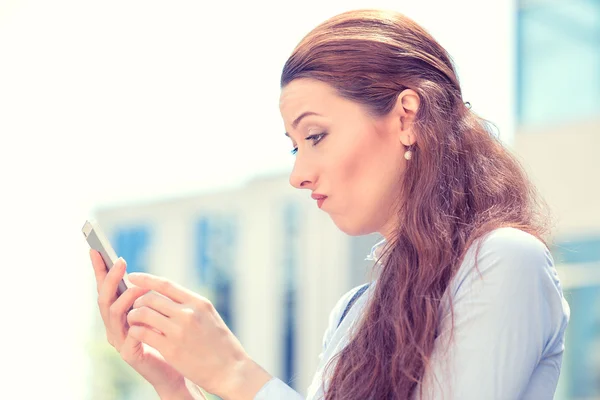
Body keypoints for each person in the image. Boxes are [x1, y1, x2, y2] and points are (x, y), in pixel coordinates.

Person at [89, 9, 571, 400]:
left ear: (406, 116)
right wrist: (173, 383)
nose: (299, 174)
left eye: (316, 135)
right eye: (295, 145)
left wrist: (235, 373)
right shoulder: (355, 312)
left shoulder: (505, 263)